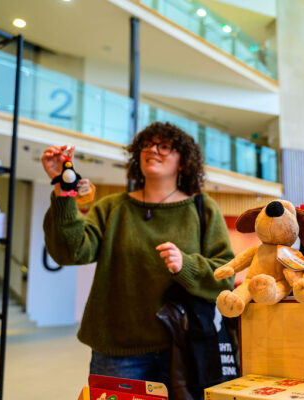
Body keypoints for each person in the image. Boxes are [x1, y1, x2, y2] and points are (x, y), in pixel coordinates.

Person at [41, 122, 235, 398]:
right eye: (147, 145)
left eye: (164, 146)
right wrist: (64, 188)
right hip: (117, 352)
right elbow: (69, 252)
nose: (152, 150)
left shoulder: (202, 210)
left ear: (183, 162)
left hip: (184, 348)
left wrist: (187, 266)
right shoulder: (112, 207)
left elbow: (225, 276)